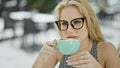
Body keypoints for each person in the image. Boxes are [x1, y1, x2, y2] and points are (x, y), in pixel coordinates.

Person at [32, 0, 120, 68]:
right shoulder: (59, 49)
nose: (69, 30)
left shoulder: (107, 49)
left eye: (77, 22)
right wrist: (41, 57)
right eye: (64, 23)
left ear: (89, 22)